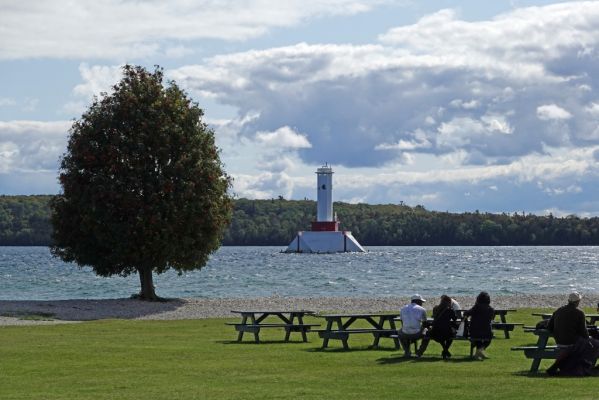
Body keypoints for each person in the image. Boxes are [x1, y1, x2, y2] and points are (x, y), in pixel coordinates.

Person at [546, 292, 599, 376]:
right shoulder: (579, 313)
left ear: (568, 300)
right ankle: (587, 367)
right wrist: (589, 338)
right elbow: (584, 332)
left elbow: (549, 327)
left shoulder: (558, 310)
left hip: (559, 341)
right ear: (578, 302)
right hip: (572, 342)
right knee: (596, 344)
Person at [416, 295, 458, 359]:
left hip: (434, 332)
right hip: (446, 332)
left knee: (441, 337)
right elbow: (455, 319)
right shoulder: (450, 310)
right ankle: (445, 351)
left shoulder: (435, 308)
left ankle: (445, 351)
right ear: (449, 302)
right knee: (451, 337)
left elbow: (434, 317)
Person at [463, 291, 494, 360]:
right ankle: (480, 351)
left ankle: (478, 352)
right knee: (489, 338)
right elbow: (491, 318)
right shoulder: (491, 309)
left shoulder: (476, 308)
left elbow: (466, 313)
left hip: (474, 331)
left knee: (477, 338)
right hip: (486, 332)